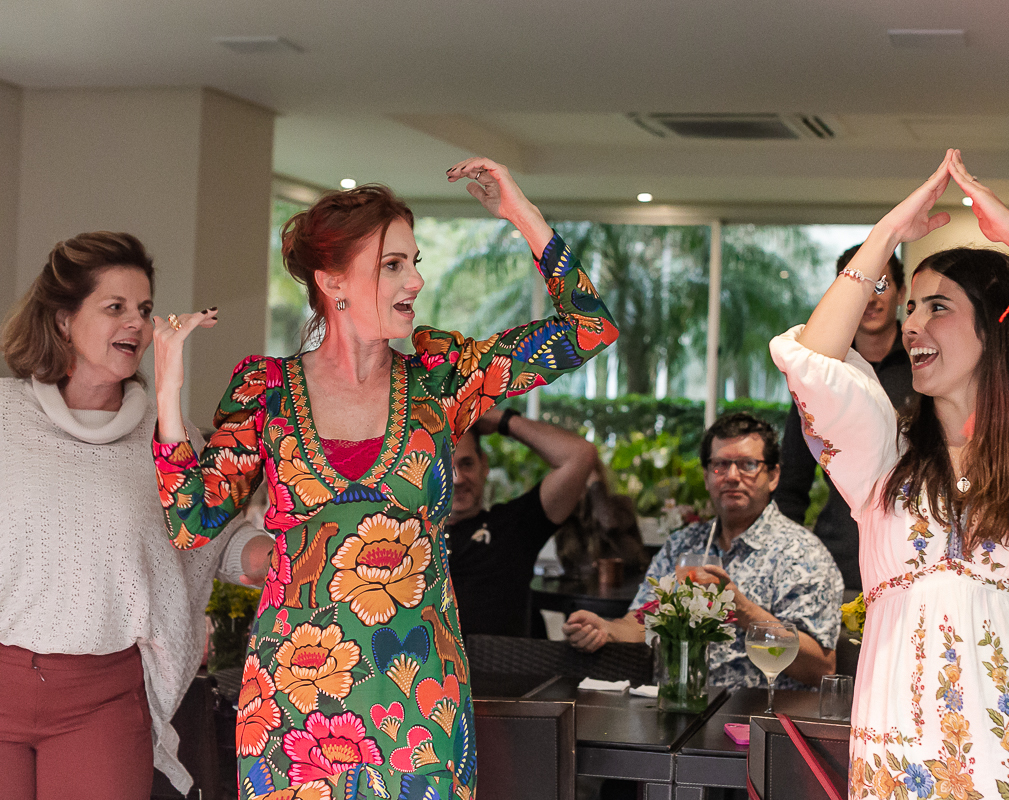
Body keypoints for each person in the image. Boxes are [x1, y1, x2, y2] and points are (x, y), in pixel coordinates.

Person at [151, 158, 618, 799]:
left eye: (415, 260)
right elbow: (190, 518)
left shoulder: (439, 375)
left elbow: (587, 327)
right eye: (393, 264)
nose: (417, 280)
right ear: (332, 280)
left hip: (418, 695)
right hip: (291, 695)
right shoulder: (265, 390)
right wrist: (169, 391)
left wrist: (521, 214)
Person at [770, 149, 1009, 800]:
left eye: (938, 307)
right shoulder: (885, 455)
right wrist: (885, 236)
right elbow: (812, 362)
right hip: (904, 745)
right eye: (911, 306)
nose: (912, 324)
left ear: (999, 328)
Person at [0, 232, 272, 800]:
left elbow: (213, 536)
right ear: (62, 320)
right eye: (115, 307)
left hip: (101, 698)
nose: (137, 324)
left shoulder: (169, 436)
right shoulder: (5, 417)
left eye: (145, 310)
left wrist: (274, 556)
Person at [562, 412, 843, 690]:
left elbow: (820, 667)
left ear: (773, 476)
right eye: (720, 465)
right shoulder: (683, 545)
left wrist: (742, 609)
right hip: (676, 710)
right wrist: (606, 630)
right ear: (707, 476)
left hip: (756, 722)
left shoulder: (802, 555)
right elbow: (643, 621)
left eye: (747, 465)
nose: (732, 476)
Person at [775, 244, 915, 591]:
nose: (871, 298)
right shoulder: (821, 373)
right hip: (839, 556)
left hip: (912, 551)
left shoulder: (924, 365)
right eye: (863, 288)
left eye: (881, 286)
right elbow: (793, 477)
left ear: (901, 293)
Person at [447, 406, 597, 637]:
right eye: (445, 466)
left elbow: (579, 455)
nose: (457, 479)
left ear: (484, 465)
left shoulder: (513, 526)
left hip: (499, 670)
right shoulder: (406, 535)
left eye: (466, 464)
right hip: (426, 669)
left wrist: (500, 419)